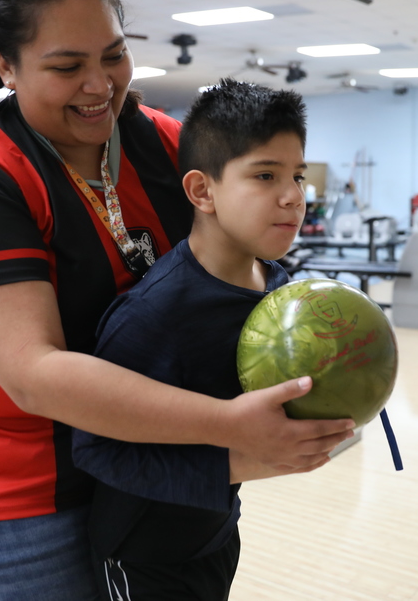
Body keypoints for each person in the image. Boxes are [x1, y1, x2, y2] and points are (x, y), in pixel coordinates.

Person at [0, 0, 353, 601]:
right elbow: (32, 373)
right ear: (6, 66)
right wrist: (227, 423)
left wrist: (318, 336)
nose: (100, 85)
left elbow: (247, 250)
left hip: (158, 452)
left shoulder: (160, 141)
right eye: (67, 66)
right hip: (34, 488)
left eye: (113, 56)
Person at [73, 79, 312, 600]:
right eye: (266, 175)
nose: (293, 195)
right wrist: (245, 460)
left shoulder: (276, 287)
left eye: (298, 174)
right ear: (203, 191)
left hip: (215, 531)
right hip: (145, 558)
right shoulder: (155, 313)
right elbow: (95, 451)